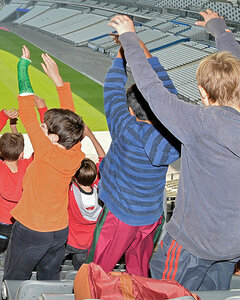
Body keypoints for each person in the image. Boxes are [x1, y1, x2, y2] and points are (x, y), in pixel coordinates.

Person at [108, 10, 240, 290]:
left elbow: (151, 89)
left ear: (203, 93)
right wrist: (219, 29)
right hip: (232, 247)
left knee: (164, 293)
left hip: (190, 246)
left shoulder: (198, 123)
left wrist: (129, 37)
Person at [87, 36, 180, 277]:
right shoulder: (172, 135)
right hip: (150, 217)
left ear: (130, 111)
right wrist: (141, 46)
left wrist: (122, 52)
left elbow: (112, 88)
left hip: (119, 216)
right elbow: (171, 98)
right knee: (139, 272)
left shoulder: (124, 126)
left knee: (96, 270)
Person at [3, 46, 85, 281]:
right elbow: (72, 120)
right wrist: (58, 80)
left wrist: (22, 67)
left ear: (53, 138)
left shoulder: (47, 152)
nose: (40, 126)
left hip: (31, 230)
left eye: (44, 127)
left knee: (14, 277)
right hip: (59, 232)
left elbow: (26, 113)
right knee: (49, 279)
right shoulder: (74, 149)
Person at [0, 107, 34, 280]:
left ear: (1, 153)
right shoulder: (28, 168)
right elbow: (43, 148)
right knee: (18, 261)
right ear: (22, 154)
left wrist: (3, 115)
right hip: (21, 227)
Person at [65, 125, 104, 270]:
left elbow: (66, 161)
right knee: (79, 271)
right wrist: (91, 136)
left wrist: (76, 141)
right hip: (88, 245)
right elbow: (104, 159)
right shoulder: (101, 190)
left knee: (52, 265)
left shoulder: (69, 190)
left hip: (68, 241)